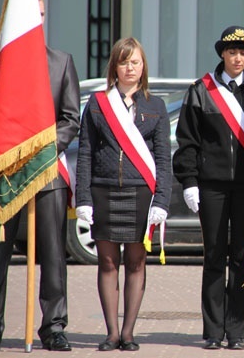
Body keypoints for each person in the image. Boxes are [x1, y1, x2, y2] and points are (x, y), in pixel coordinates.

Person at [0, 0, 80, 352]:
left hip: (48, 175)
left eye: (40, 13)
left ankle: (54, 326)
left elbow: (71, 118)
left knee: (53, 252)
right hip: (5, 176)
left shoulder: (60, 63)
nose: (35, 19)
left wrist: (41, 154)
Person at [173, 26, 244, 350]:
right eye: (233, 52)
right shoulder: (201, 90)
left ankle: (236, 331)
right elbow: (188, 141)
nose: (238, 58)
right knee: (214, 256)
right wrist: (189, 181)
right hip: (212, 187)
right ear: (222, 53)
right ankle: (212, 331)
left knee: (241, 258)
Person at [74, 37, 172, 352]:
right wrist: (83, 199)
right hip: (103, 190)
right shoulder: (97, 103)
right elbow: (85, 153)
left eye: (135, 62)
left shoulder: (155, 106)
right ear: (114, 65)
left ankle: (128, 333)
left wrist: (162, 201)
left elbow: (163, 160)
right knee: (106, 261)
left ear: (143, 67)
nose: (130, 68)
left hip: (140, 192)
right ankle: (111, 333)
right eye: (124, 61)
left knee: (136, 260)